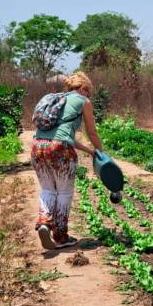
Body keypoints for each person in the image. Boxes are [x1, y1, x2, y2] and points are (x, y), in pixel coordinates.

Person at [32, 72, 103, 250]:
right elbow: (91, 133)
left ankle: (44, 224)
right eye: (89, 93)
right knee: (64, 192)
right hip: (60, 151)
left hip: (37, 146)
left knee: (48, 189)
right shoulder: (83, 101)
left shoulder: (56, 100)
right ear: (84, 88)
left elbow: (63, 137)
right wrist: (101, 152)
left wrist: (90, 151)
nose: (89, 97)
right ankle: (60, 236)